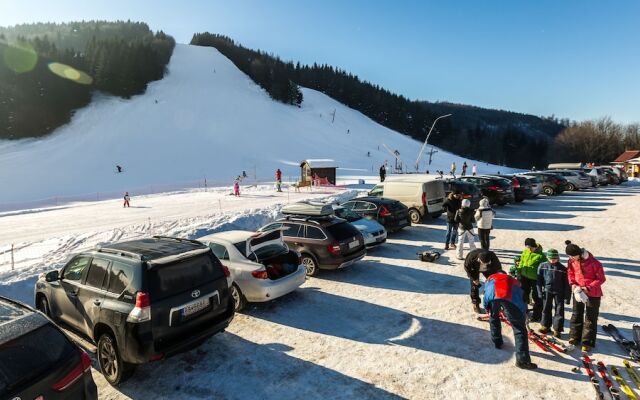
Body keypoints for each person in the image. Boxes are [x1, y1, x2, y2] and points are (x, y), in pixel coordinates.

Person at [484, 271, 537, 370]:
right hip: (508, 298)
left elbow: (487, 294)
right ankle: (522, 361)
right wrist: (523, 314)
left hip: (492, 298)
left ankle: (497, 341)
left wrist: (488, 309)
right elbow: (520, 298)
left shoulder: (490, 279)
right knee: (519, 329)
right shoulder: (513, 281)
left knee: (494, 318)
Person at [565, 240, 606, 352]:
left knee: (590, 317)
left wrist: (587, 288)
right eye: (570, 256)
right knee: (576, 313)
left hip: (593, 293)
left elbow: (601, 279)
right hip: (578, 291)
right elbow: (570, 273)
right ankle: (574, 336)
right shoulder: (571, 261)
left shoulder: (594, 263)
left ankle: (587, 341)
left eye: (573, 256)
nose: (572, 258)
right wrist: (573, 284)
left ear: (579, 253)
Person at [536, 249, 571, 338]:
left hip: (559, 292)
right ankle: (545, 326)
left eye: (554, 259)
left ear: (558, 258)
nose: (552, 260)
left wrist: (567, 297)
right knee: (546, 308)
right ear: (547, 257)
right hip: (547, 291)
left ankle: (557, 329)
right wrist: (539, 292)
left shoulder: (563, 269)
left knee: (559, 311)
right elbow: (539, 281)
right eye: (550, 258)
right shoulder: (542, 266)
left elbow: (567, 284)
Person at [516, 238, 546, 322]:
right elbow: (521, 261)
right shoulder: (525, 251)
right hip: (524, 277)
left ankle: (537, 315)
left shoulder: (541, 256)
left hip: (536, 279)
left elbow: (544, 269)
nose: (529, 249)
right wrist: (519, 272)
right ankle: (523, 310)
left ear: (534, 246)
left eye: (530, 247)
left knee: (537, 297)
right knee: (523, 294)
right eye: (527, 247)